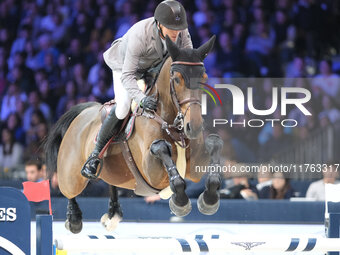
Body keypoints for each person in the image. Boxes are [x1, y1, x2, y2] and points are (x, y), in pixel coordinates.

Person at [81, 0, 193, 179]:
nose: (176, 32)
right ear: (159, 24)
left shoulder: (181, 30)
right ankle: (95, 155)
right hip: (124, 67)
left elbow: (187, 60)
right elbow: (128, 75)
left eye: (178, 28)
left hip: (153, 67)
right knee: (124, 106)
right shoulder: (139, 35)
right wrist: (141, 99)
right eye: (171, 28)